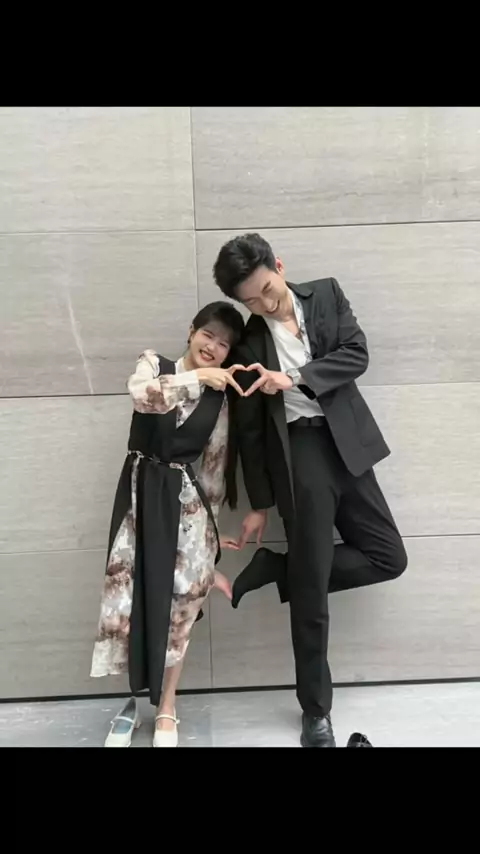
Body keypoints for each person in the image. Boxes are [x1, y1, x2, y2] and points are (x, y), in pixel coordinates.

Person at [214, 233, 408, 748]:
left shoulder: (326, 294)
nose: (264, 305)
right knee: (312, 598)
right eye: (251, 301)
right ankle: (316, 713)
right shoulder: (249, 342)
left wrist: (295, 377)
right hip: (298, 453)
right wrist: (260, 503)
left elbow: (356, 354)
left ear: (279, 266)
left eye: (267, 290)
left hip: (348, 443)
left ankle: (283, 569)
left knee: (389, 557)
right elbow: (250, 431)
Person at [90, 301, 245, 747]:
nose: (213, 347)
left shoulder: (219, 399)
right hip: (140, 495)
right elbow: (143, 396)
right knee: (128, 597)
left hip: (185, 502)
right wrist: (199, 377)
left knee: (182, 606)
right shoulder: (154, 364)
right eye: (208, 335)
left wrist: (210, 538)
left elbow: (213, 470)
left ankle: (167, 707)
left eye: (224, 344)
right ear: (192, 331)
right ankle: (134, 701)